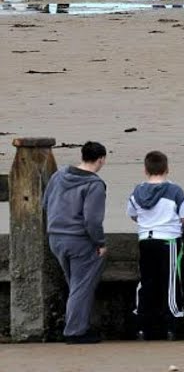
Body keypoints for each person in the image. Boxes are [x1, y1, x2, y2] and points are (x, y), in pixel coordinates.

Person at [44, 141, 109, 344]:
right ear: (101, 159)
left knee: (75, 284)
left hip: (56, 238)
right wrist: (100, 243)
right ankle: (75, 331)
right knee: (81, 286)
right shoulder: (94, 184)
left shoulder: (59, 175)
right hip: (80, 241)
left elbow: (45, 203)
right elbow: (92, 220)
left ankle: (77, 326)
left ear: (82, 156)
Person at [127, 150, 184, 341]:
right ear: (167, 169)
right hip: (168, 240)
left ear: (145, 170)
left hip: (145, 239)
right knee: (170, 282)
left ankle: (142, 324)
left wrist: (146, 223)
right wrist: (178, 228)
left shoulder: (137, 191)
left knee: (146, 281)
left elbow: (132, 214)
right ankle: (173, 325)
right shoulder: (175, 191)